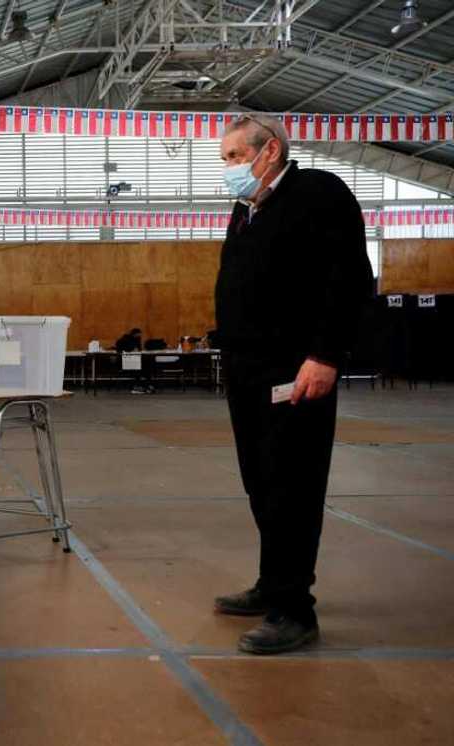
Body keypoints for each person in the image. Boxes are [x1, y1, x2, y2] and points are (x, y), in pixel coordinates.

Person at [213, 113, 373, 654]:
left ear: (271, 150)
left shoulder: (319, 194)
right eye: (226, 160)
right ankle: (272, 582)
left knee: (292, 486)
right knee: (260, 482)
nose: (230, 169)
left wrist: (326, 356)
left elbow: (348, 278)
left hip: (296, 371)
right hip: (247, 371)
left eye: (236, 157)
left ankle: (294, 610)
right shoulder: (248, 209)